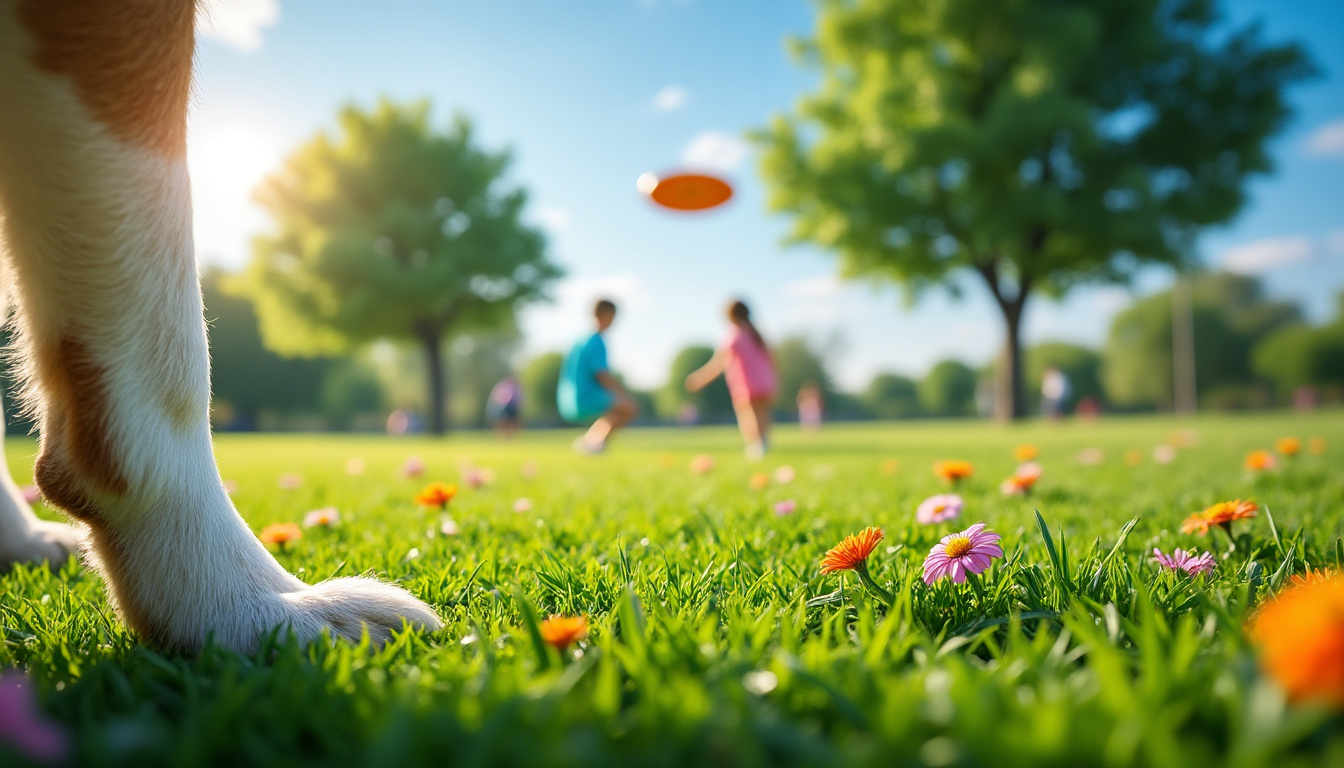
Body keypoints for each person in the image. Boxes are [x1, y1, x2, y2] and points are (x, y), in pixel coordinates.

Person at [685, 300, 778, 460]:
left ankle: (756, 446)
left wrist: (700, 378)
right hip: (765, 382)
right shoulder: (757, 335)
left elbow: (719, 363)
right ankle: (763, 443)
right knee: (762, 413)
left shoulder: (733, 336)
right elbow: (772, 358)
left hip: (746, 383)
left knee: (748, 415)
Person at [558, 299, 638, 453]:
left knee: (619, 408)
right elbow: (602, 375)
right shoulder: (596, 341)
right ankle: (594, 445)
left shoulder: (580, 339)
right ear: (604, 315)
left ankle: (590, 443)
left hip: (568, 399)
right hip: (583, 397)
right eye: (612, 316)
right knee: (628, 407)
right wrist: (623, 394)